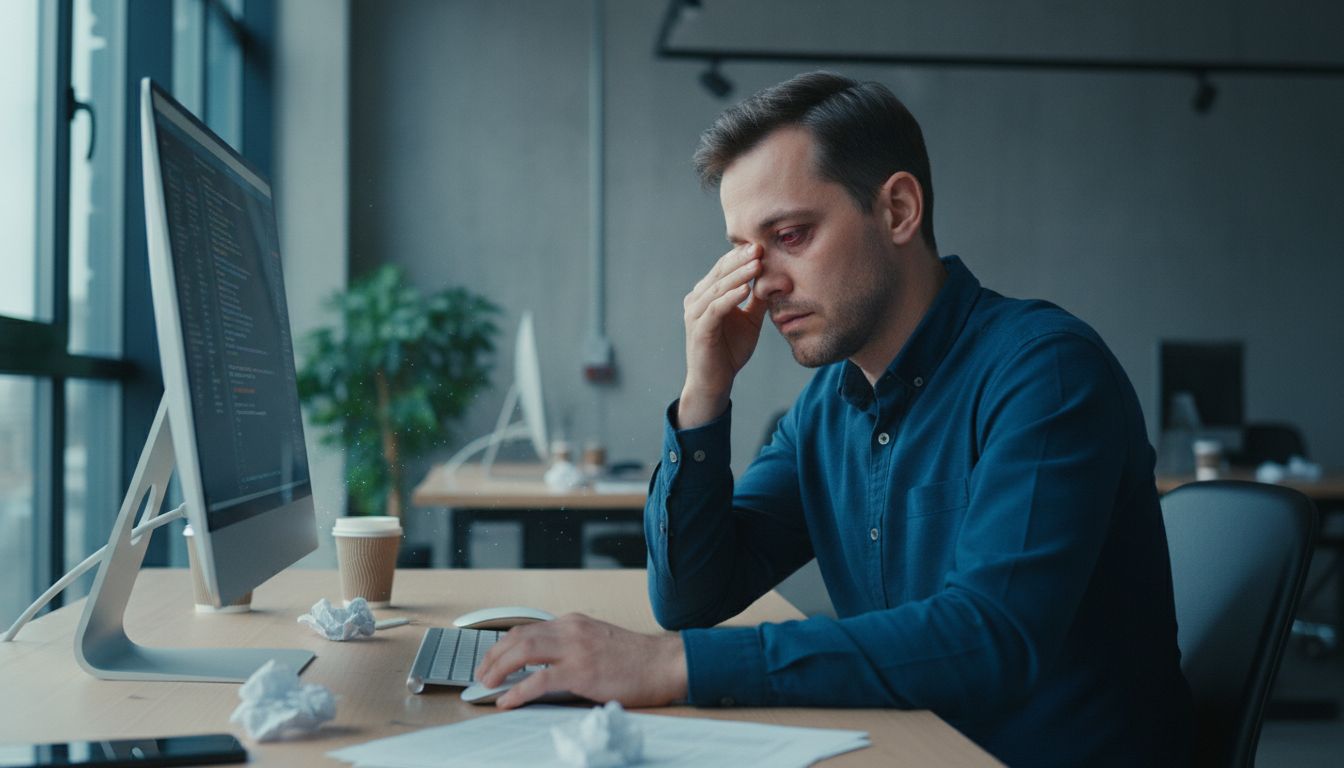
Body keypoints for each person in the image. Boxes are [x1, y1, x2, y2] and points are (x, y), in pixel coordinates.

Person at [476, 71, 1193, 765]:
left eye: (790, 236)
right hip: (907, 751)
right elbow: (693, 596)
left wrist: (672, 665)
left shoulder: (1046, 372)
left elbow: (988, 640)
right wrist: (704, 392)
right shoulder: (828, 407)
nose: (763, 282)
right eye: (743, 253)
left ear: (899, 211)